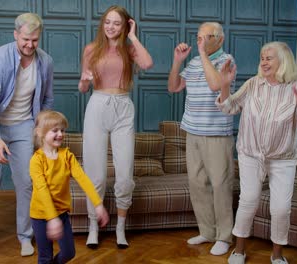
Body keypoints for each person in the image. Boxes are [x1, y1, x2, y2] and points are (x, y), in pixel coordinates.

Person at [217, 42, 297, 264]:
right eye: (262, 57)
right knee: (249, 201)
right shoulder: (253, 84)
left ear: (283, 61)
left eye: (269, 58)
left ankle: (277, 256)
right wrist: (225, 86)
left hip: (283, 159)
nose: (264, 61)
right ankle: (239, 251)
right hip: (251, 155)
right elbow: (229, 107)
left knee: (281, 208)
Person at [0, 13, 54, 256]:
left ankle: (25, 237)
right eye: (26, 39)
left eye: (35, 40)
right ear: (16, 34)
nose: (30, 45)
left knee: (26, 183)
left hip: (23, 126)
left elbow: (47, 99)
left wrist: (39, 129)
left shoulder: (45, 61)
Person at [78, 5, 153, 249]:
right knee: (96, 173)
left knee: (124, 174)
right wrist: (84, 80)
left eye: (117, 23)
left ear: (125, 26)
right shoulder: (91, 49)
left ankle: (120, 227)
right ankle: (93, 226)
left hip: (123, 107)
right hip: (97, 105)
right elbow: (82, 88)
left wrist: (133, 36)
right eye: (107, 22)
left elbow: (148, 63)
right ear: (103, 24)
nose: (111, 27)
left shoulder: (129, 50)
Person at [167, 22, 236, 256]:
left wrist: (203, 54)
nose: (201, 41)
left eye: (206, 37)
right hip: (192, 130)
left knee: (220, 185)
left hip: (217, 133)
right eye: (198, 37)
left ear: (219, 39)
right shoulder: (195, 61)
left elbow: (216, 85)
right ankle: (207, 231)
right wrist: (178, 60)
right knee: (197, 184)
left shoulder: (226, 60)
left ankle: (224, 236)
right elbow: (173, 86)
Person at [29, 110, 109, 263]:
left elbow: (83, 179)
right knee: (45, 257)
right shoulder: (36, 161)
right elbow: (42, 190)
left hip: (62, 214)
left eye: (62, 130)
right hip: (40, 215)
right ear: (40, 133)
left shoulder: (67, 156)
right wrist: (52, 219)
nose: (60, 134)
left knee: (69, 253)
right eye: (55, 130)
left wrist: (98, 205)